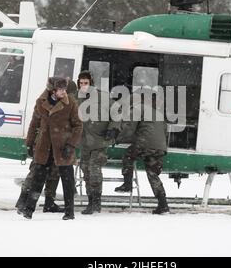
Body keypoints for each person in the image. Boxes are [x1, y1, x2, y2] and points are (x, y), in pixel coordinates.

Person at [17, 77, 82, 220]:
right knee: (37, 180)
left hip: (63, 148)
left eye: (65, 90)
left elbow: (78, 126)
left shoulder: (70, 103)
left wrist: (71, 145)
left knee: (68, 181)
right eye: (61, 90)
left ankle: (69, 212)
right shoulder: (41, 103)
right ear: (52, 90)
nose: (64, 92)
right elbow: (34, 124)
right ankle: (29, 209)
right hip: (44, 147)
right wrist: (30, 143)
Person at [115, 88, 169, 214]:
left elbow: (129, 128)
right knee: (152, 174)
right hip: (160, 147)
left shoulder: (138, 109)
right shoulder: (157, 113)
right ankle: (163, 204)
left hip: (144, 143)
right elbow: (164, 130)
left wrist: (118, 138)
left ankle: (127, 184)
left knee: (128, 155)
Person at [77, 71, 120, 215]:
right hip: (84, 142)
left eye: (86, 83)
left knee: (94, 169)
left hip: (100, 140)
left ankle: (96, 201)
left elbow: (117, 112)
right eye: (81, 83)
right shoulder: (76, 99)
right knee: (85, 170)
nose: (83, 86)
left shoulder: (103, 97)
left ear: (91, 84)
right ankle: (91, 200)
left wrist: (113, 128)